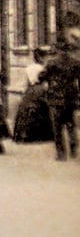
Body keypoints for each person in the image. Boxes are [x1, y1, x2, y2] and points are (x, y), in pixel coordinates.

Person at [39, 26, 80, 161]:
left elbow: (41, 76)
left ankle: (61, 154)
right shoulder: (75, 62)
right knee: (70, 125)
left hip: (56, 99)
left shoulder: (52, 63)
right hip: (71, 98)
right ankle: (73, 150)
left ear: (58, 49)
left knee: (57, 127)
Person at [13, 48, 53, 144]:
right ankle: (41, 136)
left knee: (26, 111)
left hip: (30, 90)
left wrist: (25, 92)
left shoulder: (28, 68)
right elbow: (46, 81)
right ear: (41, 57)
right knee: (42, 110)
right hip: (40, 88)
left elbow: (26, 82)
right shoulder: (42, 68)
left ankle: (25, 135)